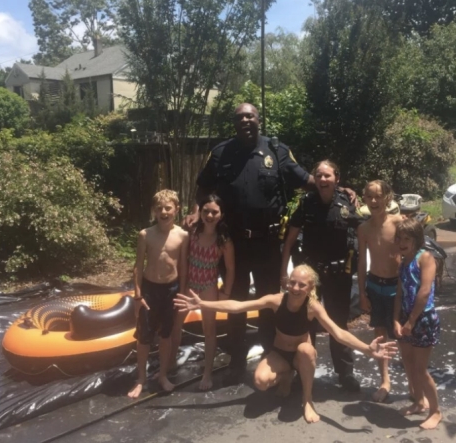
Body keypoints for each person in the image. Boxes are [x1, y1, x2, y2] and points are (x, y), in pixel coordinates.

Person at [189, 103, 356, 383]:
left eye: (250, 116)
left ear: (258, 120)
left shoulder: (276, 150)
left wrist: (338, 189)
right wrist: (196, 211)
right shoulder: (220, 153)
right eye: (240, 117)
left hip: (268, 244)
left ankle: (271, 357)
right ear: (235, 122)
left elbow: (305, 180)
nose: (245, 120)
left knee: (269, 304)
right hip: (234, 245)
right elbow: (203, 188)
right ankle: (236, 362)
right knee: (236, 302)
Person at [175, 264, 398, 424]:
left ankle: (307, 400)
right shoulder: (276, 300)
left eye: (302, 285)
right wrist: (203, 304)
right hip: (280, 354)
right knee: (260, 382)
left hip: (301, 355)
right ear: (287, 282)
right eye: (292, 282)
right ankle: (286, 376)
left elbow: (338, 332)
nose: (296, 288)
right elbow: (239, 306)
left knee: (306, 349)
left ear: (311, 288)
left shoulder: (313, 307)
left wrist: (368, 349)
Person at [280, 160, 364, 392]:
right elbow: (290, 239)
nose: (323, 179)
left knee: (338, 322)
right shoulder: (306, 203)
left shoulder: (347, 201)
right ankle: (303, 372)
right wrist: (283, 271)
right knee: (307, 322)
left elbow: (364, 231)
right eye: (319, 175)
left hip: (338, 275)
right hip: (312, 276)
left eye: (327, 175)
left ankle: (345, 374)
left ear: (337, 178)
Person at [128, 190, 189, 399]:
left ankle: (162, 375)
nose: (164, 212)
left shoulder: (182, 235)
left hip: (171, 290)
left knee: (166, 336)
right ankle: (141, 379)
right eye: (159, 208)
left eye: (168, 208)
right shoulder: (146, 234)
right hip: (149, 290)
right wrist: (138, 296)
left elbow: (183, 266)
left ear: (176, 210)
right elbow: (138, 266)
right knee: (144, 337)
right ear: (154, 211)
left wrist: (182, 293)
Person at [393, 218, 442, 430]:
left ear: (417, 239)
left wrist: (411, 321)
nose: (402, 243)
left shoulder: (425, 258)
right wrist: (396, 319)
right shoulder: (403, 262)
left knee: (420, 369)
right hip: (406, 317)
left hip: (423, 319)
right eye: (399, 238)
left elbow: (424, 291)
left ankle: (435, 411)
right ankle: (419, 401)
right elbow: (399, 293)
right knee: (408, 362)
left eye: (407, 239)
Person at [357, 180, 403, 402]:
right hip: (375, 286)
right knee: (380, 335)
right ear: (364, 198)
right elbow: (361, 262)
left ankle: (415, 382)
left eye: (378, 196)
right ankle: (385, 381)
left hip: (397, 287)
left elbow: (412, 253)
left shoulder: (399, 223)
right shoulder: (363, 229)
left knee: (402, 335)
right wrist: (362, 292)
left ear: (388, 197)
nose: (374, 200)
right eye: (369, 196)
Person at [186, 194, 235, 390]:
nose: (209, 215)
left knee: (209, 330)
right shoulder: (192, 232)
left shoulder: (224, 241)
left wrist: (226, 292)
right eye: (206, 211)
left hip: (208, 285)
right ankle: (169, 364)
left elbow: (230, 268)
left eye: (214, 212)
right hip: (189, 283)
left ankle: (207, 374)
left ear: (221, 215)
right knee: (175, 324)